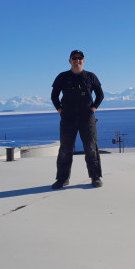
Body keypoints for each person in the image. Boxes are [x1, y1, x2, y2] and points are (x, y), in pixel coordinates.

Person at [51, 50, 104, 189]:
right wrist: (60, 110)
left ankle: (95, 177)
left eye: (80, 58)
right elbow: (54, 96)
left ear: (83, 61)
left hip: (87, 119)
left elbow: (100, 95)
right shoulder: (62, 77)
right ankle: (62, 179)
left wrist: (93, 109)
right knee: (65, 149)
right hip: (68, 119)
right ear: (70, 61)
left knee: (91, 148)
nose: (77, 60)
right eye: (74, 58)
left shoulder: (90, 77)